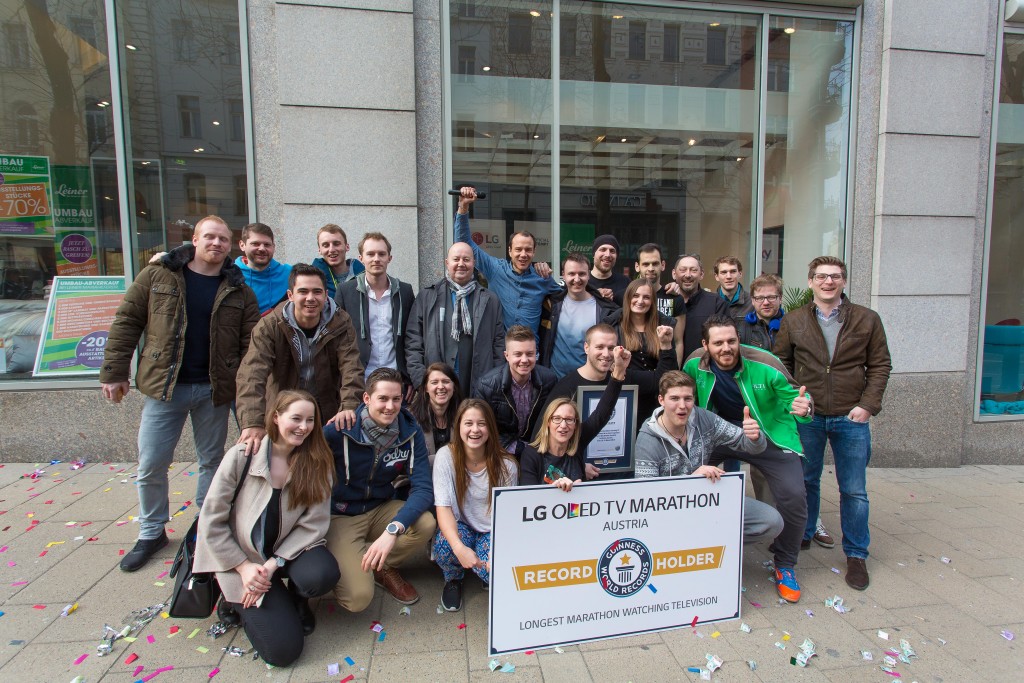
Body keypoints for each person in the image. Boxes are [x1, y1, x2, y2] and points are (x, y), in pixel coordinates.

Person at [100, 215, 260, 572]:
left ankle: (206, 528)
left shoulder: (238, 288)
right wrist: (114, 372)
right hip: (165, 387)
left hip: (213, 388)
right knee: (152, 462)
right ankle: (151, 531)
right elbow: (127, 321)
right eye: (210, 237)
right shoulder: (159, 275)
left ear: (231, 246)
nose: (216, 244)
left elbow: (252, 344)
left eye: (223, 239)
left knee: (211, 461)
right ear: (195, 239)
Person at [193, 390, 340, 667]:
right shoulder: (242, 456)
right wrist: (243, 567)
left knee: (321, 574)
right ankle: (232, 597)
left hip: (284, 554)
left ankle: (294, 598)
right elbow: (211, 521)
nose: (303, 427)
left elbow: (314, 524)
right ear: (275, 417)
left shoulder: (317, 462)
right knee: (283, 652)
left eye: (310, 420)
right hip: (242, 558)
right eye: (295, 418)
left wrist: (273, 564)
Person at [774, 256, 891, 592]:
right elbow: (782, 364)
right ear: (810, 281)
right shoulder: (794, 320)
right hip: (808, 415)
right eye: (821, 276)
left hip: (850, 416)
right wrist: (792, 399)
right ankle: (805, 534)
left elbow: (881, 365)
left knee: (853, 489)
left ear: (843, 281)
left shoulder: (867, 320)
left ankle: (856, 554)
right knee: (806, 479)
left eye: (835, 276)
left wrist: (868, 406)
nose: (828, 282)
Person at [682, 314, 812, 603]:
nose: (726, 348)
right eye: (718, 343)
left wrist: (804, 407)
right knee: (685, 478)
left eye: (731, 341)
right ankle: (690, 549)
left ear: (738, 340)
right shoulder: (694, 363)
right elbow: (683, 395)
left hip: (767, 435)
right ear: (706, 345)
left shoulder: (766, 363)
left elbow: (794, 398)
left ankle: (785, 564)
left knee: (793, 495)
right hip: (719, 435)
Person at [634, 372, 783, 562]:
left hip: (707, 502)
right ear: (661, 400)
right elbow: (646, 497)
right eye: (674, 398)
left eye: (688, 398)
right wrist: (690, 481)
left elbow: (747, 444)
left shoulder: (704, 419)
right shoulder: (647, 439)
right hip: (669, 515)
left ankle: (713, 546)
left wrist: (755, 437)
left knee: (771, 521)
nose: (682, 406)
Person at [324, 368, 436, 609]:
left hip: (380, 508)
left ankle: (380, 564)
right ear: (367, 399)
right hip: (342, 514)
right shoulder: (340, 430)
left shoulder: (409, 430)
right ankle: (353, 557)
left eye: (396, 399)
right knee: (357, 600)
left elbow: (423, 489)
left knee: (425, 523)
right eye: (382, 399)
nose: (390, 406)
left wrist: (392, 531)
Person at [235, 263, 365, 455]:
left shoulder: (341, 323)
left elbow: (351, 367)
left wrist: (348, 407)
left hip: (326, 410)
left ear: (325, 295)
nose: (310, 298)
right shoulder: (270, 326)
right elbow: (252, 374)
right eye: (303, 291)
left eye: (317, 292)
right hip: (284, 410)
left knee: (324, 467)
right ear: (290, 295)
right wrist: (253, 422)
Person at [432, 399, 518, 611]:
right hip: (462, 526)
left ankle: (484, 572)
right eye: (468, 423)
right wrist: (459, 548)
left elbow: (508, 517)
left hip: (492, 530)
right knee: (444, 545)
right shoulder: (446, 457)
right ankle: (454, 578)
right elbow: (442, 508)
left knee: (496, 570)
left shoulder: (507, 465)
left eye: (482, 423)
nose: (475, 430)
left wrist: (495, 552)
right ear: (458, 426)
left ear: (490, 427)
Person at [453, 187, 561, 335]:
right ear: (509, 251)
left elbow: (569, 297)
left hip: (530, 353)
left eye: (528, 250)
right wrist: (463, 207)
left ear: (534, 252)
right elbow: (464, 243)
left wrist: (597, 292)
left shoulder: (542, 277)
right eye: (518, 249)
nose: (523, 254)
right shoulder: (495, 269)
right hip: (500, 352)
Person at [546, 322, 677, 443]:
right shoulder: (567, 387)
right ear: (586, 347)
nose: (606, 354)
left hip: (621, 460)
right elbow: (545, 435)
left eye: (611, 348)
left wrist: (666, 346)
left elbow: (662, 380)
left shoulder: (625, 375)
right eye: (599, 347)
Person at [520, 346, 630, 488]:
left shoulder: (577, 442)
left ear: (576, 424)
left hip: (576, 510)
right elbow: (526, 498)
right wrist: (555, 489)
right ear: (548, 422)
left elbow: (601, 414)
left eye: (569, 420)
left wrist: (618, 373)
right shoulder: (531, 454)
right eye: (557, 419)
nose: (563, 425)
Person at [406, 241, 505, 394]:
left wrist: (494, 383)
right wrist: (421, 381)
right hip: (436, 388)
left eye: (466, 259)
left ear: (474, 263)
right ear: (447, 263)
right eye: (456, 259)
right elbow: (413, 342)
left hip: (478, 386)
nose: (461, 264)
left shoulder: (490, 300)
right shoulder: (427, 297)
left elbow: (499, 345)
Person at [337, 232, 415, 393]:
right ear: (361, 258)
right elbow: (338, 337)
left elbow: (411, 337)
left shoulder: (405, 291)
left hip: (396, 380)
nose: (376, 259)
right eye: (370, 254)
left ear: (389, 258)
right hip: (359, 380)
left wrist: (409, 377)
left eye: (381, 254)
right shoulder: (346, 291)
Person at [472, 325, 558, 456]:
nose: (524, 360)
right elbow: (481, 428)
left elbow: (552, 422)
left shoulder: (549, 380)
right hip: (500, 452)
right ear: (506, 355)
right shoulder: (486, 385)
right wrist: (518, 449)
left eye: (530, 354)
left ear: (536, 354)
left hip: (538, 451)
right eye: (518, 354)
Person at [538, 252, 618, 378]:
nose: (577, 279)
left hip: (591, 380)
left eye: (582, 274)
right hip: (556, 380)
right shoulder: (551, 304)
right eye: (571, 274)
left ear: (589, 275)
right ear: (563, 275)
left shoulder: (605, 309)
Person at [608, 279, 679, 372]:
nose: (640, 301)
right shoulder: (612, 326)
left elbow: (671, 367)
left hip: (657, 383)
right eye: (635, 296)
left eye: (646, 297)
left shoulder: (663, 327)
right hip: (625, 383)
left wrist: (666, 346)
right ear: (628, 298)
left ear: (652, 301)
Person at [634, 243, 686, 364]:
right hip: (636, 367)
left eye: (655, 263)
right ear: (637, 266)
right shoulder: (629, 298)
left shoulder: (675, 298)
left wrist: (674, 373)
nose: (651, 268)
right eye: (646, 264)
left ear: (662, 265)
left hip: (666, 363)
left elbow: (678, 342)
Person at [672, 254, 728, 359]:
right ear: (674, 274)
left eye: (693, 270)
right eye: (683, 270)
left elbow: (723, 340)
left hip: (704, 370)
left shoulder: (716, 303)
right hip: (669, 371)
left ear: (701, 274)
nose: (688, 275)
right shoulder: (665, 301)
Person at [234, 222, 291, 315]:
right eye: (255, 244)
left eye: (267, 244)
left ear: (273, 247)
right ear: (242, 245)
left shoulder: (290, 273)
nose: (262, 249)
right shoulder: (231, 275)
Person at [409, 362, 462, 462]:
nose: (441, 387)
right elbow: (411, 461)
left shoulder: (463, 416)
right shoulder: (411, 418)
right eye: (434, 382)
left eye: (446, 381)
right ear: (426, 388)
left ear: (454, 386)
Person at [312, 224, 364, 300]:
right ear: (319, 250)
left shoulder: (364, 276)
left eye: (336, 244)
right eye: (326, 245)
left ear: (347, 247)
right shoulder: (313, 279)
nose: (331, 250)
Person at [739, 273, 786, 352]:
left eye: (771, 297)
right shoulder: (741, 329)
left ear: (780, 299)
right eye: (760, 298)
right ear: (753, 301)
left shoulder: (792, 327)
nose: (766, 302)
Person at [589, 234, 631, 305]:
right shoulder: (582, 281)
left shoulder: (625, 282)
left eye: (612, 251)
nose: (608, 255)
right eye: (603, 250)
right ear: (594, 254)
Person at [713, 256, 753, 321]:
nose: (728, 276)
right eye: (724, 272)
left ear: (740, 274)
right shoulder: (709, 302)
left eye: (733, 271)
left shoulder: (752, 302)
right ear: (716, 276)